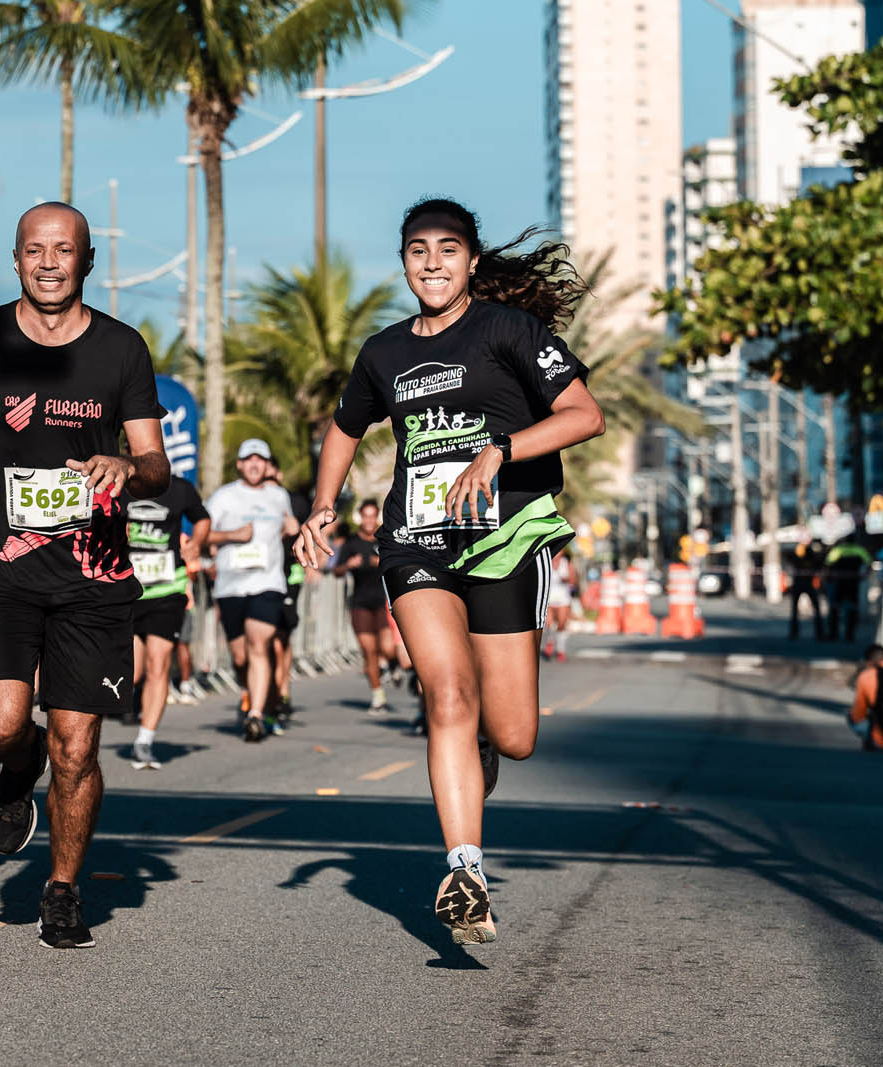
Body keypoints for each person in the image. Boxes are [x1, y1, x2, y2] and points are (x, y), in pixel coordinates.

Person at [294, 198, 605, 946]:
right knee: (447, 692)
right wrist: (322, 506)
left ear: (471, 260)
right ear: (404, 262)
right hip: (417, 540)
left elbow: (584, 415)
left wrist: (500, 450)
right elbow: (345, 427)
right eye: (418, 251)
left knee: (515, 734)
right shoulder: (384, 353)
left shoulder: (509, 330)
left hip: (504, 539)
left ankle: (485, 746)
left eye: (447, 249)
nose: (432, 263)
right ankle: (465, 871)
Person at [0, 201, 168, 948]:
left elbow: (157, 464)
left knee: (77, 749)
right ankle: (17, 770)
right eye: (34, 249)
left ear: (88, 260)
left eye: (64, 249)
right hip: (0, 573)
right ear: (16, 259)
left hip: (93, 578)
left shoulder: (121, 348)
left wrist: (128, 466)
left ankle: (61, 888)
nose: (49, 262)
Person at [206, 439, 299, 741]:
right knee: (239, 657)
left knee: (260, 644)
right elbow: (201, 533)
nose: (255, 464)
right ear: (240, 464)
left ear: (267, 465)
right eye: (249, 459)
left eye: (260, 459)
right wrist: (233, 535)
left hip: (267, 583)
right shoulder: (224, 496)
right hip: (230, 585)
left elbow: (288, 528)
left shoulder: (279, 496)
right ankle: (253, 695)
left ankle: (256, 715)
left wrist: (292, 529)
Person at [125, 475, 211, 767]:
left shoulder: (180, 488)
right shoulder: (120, 484)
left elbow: (202, 518)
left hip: (167, 589)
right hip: (128, 590)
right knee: (131, 671)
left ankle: (144, 741)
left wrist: (196, 543)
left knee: (159, 663)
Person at [334, 499, 394, 713]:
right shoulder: (351, 543)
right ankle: (378, 696)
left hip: (382, 601)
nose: (369, 521)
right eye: (365, 516)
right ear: (361, 517)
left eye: (372, 516)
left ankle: (390, 665)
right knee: (369, 652)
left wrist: (383, 563)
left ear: (377, 517)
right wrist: (349, 565)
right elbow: (337, 570)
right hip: (360, 603)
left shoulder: (384, 539)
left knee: (388, 649)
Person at [269, 464, 313, 721]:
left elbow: (310, 531)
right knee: (262, 637)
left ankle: (282, 690)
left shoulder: (294, 501)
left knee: (280, 639)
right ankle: (261, 692)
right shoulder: (249, 501)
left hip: (289, 575)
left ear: (279, 473)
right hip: (259, 576)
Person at [824, 537, 873, 643]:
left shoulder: (838, 550)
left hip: (840, 583)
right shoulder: (859, 550)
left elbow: (827, 563)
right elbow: (869, 563)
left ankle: (833, 634)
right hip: (853, 583)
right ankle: (850, 635)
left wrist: (830, 577)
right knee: (852, 608)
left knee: (835, 608)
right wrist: (865, 575)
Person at [786, 534, 825, 641]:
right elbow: (820, 564)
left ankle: (795, 632)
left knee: (795, 610)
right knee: (814, 609)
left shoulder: (799, 555)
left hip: (801, 584)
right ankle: (819, 633)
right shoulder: (810, 556)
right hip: (806, 584)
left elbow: (790, 559)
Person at [541, 548, 575, 661]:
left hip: (563, 598)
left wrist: (566, 579)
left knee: (561, 624)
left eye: (560, 551)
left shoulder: (567, 563)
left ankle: (561, 649)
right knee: (548, 623)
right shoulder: (547, 561)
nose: (558, 553)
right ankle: (549, 643)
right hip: (549, 598)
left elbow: (573, 580)